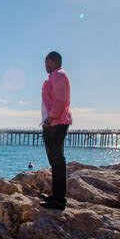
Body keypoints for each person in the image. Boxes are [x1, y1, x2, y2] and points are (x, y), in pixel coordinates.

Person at [39, 51, 72, 210]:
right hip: (53, 123)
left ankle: (58, 200)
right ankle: (56, 196)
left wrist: (50, 118)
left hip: (55, 123)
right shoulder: (57, 76)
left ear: (52, 61)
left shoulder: (58, 75)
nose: (45, 65)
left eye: (46, 62)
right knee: (55, 161)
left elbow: (61, 100)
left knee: (57, 161)